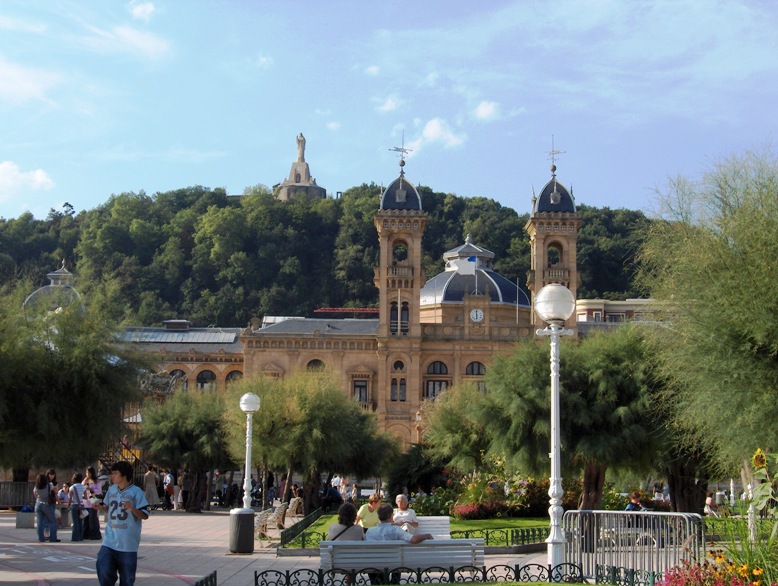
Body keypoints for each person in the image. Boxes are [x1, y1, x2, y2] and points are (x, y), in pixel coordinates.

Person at [95, 460, 150, 586]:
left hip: (128, 544)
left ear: (124, 475)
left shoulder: (136, 492)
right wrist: (101, 508)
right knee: (103, 567)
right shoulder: (112, 489)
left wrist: (132, 509)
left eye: (115, 473)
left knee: (127, 579)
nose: (111, 476)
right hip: (109, 540)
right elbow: (109, 509)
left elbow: (145, 515)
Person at [366, 504, 433, 584]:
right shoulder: (396, 530)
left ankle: (378, 582)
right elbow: (413, 540)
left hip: (374, 564)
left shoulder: (370, 531)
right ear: (390, 516)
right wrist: (427, 535)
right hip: (394, 563)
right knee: (398, 559)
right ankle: (395, 582)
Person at [33, 472, 59, 543]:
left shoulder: (36, 487)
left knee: (40, 522)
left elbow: (35, 494)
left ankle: (41, 539)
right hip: (47, 504)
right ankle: (53, 538)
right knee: (52, 521)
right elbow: (56, 491)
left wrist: (38, 497)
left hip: (38, 504)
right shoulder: (49, 485)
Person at [83, 466, 103, 540]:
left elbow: (99, 491)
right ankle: (85, 534)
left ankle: (94, 534)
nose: (87, 474)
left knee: (92, 519)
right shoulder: (85, 480)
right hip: (86, 502)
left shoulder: (96, 481)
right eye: (86, 472)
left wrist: (91, 489)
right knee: (86, 519)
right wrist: (85, 482)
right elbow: (81, 487)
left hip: (93, 502)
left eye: (88, 472)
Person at [69, 472, 87, 542]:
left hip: (74, 505)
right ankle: (80, 537)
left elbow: (70, 498)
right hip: (81, 505)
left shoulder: (72, 487)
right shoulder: (83, 487)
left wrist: (68, 505)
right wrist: (80, 497)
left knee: (75, 522)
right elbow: (85, 497)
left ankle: (75, 537)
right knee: (80, 522)